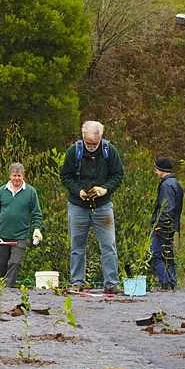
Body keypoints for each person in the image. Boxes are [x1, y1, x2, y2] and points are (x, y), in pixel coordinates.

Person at [60, 120, 124, 293]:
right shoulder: (74, 151)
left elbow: (118, 174)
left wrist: (105, 189)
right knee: (77, 246)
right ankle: (77, 282)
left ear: (101, 138)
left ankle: (111, 283)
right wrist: (78, 191)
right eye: (88, 143)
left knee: (109, 246)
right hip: (78, 206)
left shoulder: (109, 151)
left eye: (94, 144)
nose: (91, 147)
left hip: (103, 206)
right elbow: (65, 176)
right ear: (82, 137)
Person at [0, 163, 44, 287]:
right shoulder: (1, 191)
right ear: (10, 176)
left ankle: (8, 290)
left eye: (19, 176)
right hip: (2, 235)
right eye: (14, 175)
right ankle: (2, 289)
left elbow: (36, 212)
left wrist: (37, 229)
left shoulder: (30, 192)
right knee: (2, 264)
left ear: (23, 176)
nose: (17, 178)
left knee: (15, 262)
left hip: (21, 235)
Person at [149, 158, 184, 290]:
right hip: (171, 225)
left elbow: (166, 207)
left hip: (164, 226)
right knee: (168, 254)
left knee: (155, 254)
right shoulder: (175, 183)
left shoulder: (166, 185)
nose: (155, 172)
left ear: (161, 170)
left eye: (156, 169)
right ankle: (171, 282)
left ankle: (166, 281)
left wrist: (160, 225)